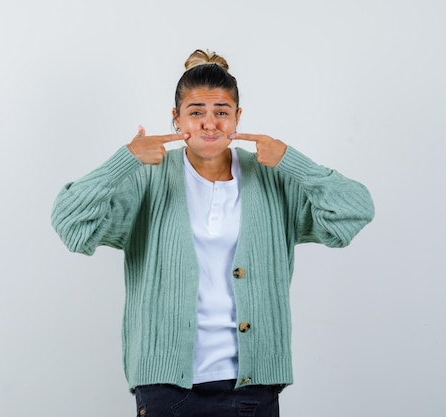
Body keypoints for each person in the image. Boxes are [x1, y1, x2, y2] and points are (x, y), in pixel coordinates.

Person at [51, 49, 374, 417]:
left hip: (251, 387)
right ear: (176, 119)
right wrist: (125, 159)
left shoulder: (272, 178)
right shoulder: (148, 178)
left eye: (222, 112)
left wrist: (291, 160)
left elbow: (355, 210)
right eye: (196, 112)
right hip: (166, 389)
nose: (210, 123)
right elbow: (71, 225)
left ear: (238, 117)